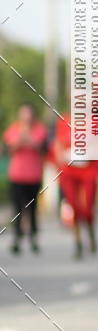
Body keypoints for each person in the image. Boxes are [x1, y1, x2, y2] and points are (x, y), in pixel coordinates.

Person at [52, 111, 98, 258]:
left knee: (88, 205)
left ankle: (90, 227)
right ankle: (78, 241)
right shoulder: (64, 121)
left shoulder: (95, 122)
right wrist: (60, 156)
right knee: (73, 205)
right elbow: (58, 143)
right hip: (69, 170)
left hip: (89, 169)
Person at [3, 103, 48, 254]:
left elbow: (39, 146)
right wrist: (22, 139)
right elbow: (10, 147)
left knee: (32, 209)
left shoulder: (40, 129)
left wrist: (26, 138)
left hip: (34, 176)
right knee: (17, 209)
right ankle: (17, 239)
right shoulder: (13, 129)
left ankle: (33, 238)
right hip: (16, 175)